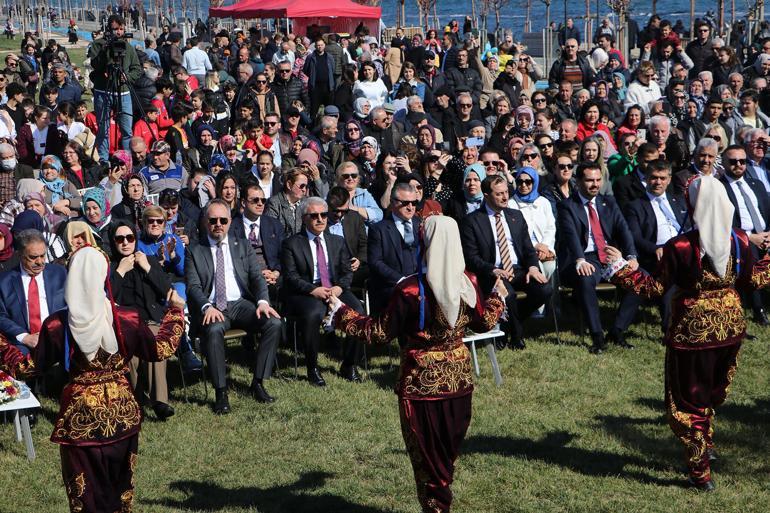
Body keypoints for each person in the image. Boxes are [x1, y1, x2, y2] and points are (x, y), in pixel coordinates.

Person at [328, 215, 506, 513]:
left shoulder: (410, 290)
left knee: (428, 462)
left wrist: (342, 314)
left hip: (420, 388)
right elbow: (484, 322)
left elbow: (380, 332)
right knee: (446, 459)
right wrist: (498, 298)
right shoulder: (469, 282)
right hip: (460, 384)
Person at [603, 174, 770, 491]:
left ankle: (700, 472)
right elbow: (754, 281)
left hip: (692, 333)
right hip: (731, 329)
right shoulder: (741, 240)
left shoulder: (680, 246)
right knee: (709, 393)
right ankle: (706, 446)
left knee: (689, 403)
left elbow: (653, 288)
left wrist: (621, 267)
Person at [0, 245, 185, 511]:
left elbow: (28, 369)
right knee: (120, 494)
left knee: (85, 499)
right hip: (122, 417)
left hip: (79, 420)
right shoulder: (127, 318)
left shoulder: (58, 325)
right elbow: (160, 350)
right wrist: (176, 312)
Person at [185, 199, 282, 413]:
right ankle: (221, 391)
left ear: (230, 221)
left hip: (240, 304)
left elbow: (257, 278)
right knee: (213, 329)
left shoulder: (242, 245)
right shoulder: (194, 250)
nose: (218, 224)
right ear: (205, 222)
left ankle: (258, 382)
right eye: (213, 220)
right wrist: (205, 307)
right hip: (212, 307)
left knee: (273, 323)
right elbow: (192, 286)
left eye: (223, 220)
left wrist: (263, 301)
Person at [461, 174, 552, 350]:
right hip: (492, 272)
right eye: (499, 194)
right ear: (486, 196)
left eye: (506, 192)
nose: (505, 197)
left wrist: (533, 268)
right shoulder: (472, 221)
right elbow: (471, 258)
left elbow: (527, 248)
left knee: (544, 290)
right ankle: (517, 337)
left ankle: (506, 326)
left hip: (518, 269)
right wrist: (493, 270)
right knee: (507, 295)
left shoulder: (515, 216)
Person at [281, 197, 365, 385]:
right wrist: (313, 290)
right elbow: (291, 277)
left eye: (324, 215)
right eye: (314, 216)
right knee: (314, 314)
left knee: (358, 312)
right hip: (306, 292)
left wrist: (339, 287)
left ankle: (349, 365)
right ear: (304, 218)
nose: (320, 219)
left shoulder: (337, 241)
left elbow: (346, 272)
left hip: (334, 289)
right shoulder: (291, 243)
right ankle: (312, 368)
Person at [556, 161, 638, 353]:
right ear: (577, 181)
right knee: (585, 280)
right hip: (583, 257)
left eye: (598, 180)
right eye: (589, 180)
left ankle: (617, 330)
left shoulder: (608, 202)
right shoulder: (567, 206)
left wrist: (631, 256)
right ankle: (597, 336)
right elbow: (570, 236)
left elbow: (624, 230)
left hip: (608, 256)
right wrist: (579, 260)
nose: (595, 184)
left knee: (638, 279)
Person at [613, 159, 689, 343]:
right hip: (653, 258)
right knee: (657, 281)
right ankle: (619, 331)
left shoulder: (678, 201)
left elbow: (689, 228)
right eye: (653, 178)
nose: (658, 182)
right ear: (646, 179)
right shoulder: (636, 206)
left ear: (669, 179)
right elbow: (635, 237)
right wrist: (656, 249)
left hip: (683, 255)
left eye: (662, 178)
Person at [719, 144, 770, 325]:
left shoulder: (756, 184)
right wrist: (750, 237)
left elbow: (767, 210)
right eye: (733, 161)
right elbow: (724, 223)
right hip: (740, 238)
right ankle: (758, 309)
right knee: (752, 258)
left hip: (765, 234)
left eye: (742, 161)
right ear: (724, 163)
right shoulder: (720, 188)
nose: (739, 165)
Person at [0, 229, 67, 356]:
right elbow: (1, 316)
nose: (40, 262)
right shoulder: (4, 282)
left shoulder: (60, 274)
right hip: (22, 344)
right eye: (33, 257)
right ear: (19, 255)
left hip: (58, 338)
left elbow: (71, 304)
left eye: (43, 255)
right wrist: (24, 337)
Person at [88, 14, 143, 162]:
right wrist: (106, 50)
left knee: (126, 129)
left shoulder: (128, 47)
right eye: (115, 29)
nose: (118, 32)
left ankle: (126, 160)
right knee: (103, 128)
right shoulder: (98, 45)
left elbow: (137, 69)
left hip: (123, 91)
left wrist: (127, 77)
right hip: (103, 90)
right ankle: (104, 160)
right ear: (108, 29)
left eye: (121, 29)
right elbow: (96, 65)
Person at [367, 183, 420, 314]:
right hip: (391, 288)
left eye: (414, 203)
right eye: (406, 203)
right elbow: (375, 262)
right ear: (393, 202)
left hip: (420, 284)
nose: (410, 207)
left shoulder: (420, 224)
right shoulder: (378, 229)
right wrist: (401, 280)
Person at [229, 182, 283, 294]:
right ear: (243, 202)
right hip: (245, 279)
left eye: (263, 200)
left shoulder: (274, 225)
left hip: (272, 277)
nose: (260, 204)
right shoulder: (231, 227)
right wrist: (256, 275)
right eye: (255, 200)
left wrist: (276, 273)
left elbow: (283, 255)